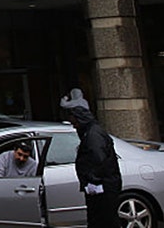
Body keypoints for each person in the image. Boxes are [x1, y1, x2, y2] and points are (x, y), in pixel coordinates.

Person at [61, 88, 122, 228]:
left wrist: (93, 181)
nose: (73, 125)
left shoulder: (93, 135)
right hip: (101, 188)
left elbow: (98, 159)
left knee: (104, 221)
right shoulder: (90, 133)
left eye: (74, 122)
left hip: (103, 189)